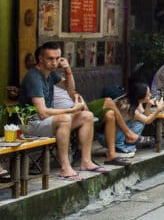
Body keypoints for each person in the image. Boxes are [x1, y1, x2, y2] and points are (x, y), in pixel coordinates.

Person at [19, 42, 106, 180]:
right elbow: (42, 112)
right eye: (50, 58)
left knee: (87, 116)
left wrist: (68, 70)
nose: (54, 62)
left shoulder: (50, 74)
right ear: (41, 59)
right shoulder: (33, 77)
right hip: (29, 123)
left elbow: (70, 89)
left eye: (57, 58)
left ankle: (86, 161)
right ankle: (65, 168)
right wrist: (71, 110)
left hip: (45, 122)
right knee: (65, 119)